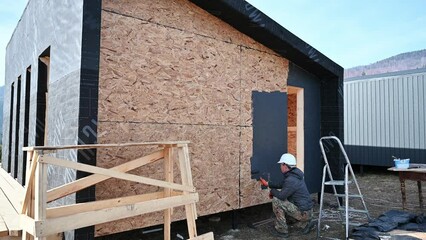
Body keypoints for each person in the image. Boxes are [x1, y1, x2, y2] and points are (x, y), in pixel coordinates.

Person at [259, 153, 314, 237]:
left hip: (304, 213)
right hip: (307, 210)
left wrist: (272, 192)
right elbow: (282, 184)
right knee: (284, 196)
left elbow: (281, 196)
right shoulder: (294, 175)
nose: (280, 166)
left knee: (277, 200)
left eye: (281, 164)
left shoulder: (291, 179)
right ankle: (305, 224)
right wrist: (268, 184)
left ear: (285, 165)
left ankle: (282, 230)